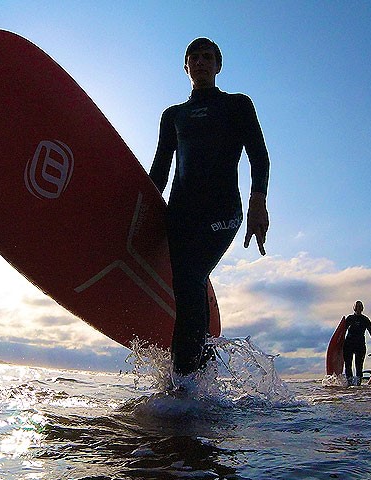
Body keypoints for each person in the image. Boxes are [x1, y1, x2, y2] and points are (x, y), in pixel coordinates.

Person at [149, 38, 270, 377]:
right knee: (187, 287)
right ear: (186, 67)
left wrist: (258, 201)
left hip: (223, 212)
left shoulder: (237, 105)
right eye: (194, 57)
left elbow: (259, 155)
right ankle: (200, 377)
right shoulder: (173, 116)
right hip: (180, 214)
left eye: (207, 57)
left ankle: (181, 384)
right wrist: (138, 213)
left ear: (218, 66)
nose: (200, 62)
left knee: (190, 280)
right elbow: (160, 169)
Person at [342, 301, 371, 385]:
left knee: (359, 367)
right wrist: (338, 344)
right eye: (357, 306)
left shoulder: (365, 319)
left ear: (362, 308)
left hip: (360, 345)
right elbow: (342, 331)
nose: (358, 308)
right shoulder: (350, 318)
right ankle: (350, 384)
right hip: (348, 344)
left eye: (360, 307)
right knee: (348, 366)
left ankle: (358, 386)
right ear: (354, 308)